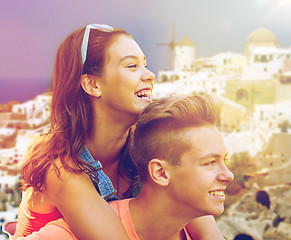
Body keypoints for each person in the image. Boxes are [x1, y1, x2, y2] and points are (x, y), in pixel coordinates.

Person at [8, 24, 224, 240]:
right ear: (92, 84)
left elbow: (199, 218)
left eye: (145, 65)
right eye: (132, 66)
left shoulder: (145, 146)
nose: (149, 75)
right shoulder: (60, 166)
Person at [16, 94, 235, 240]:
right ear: (160, 172)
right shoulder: (71, 232)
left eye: (223, 160)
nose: (229, 175)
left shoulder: (192, 225)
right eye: (209, 163)